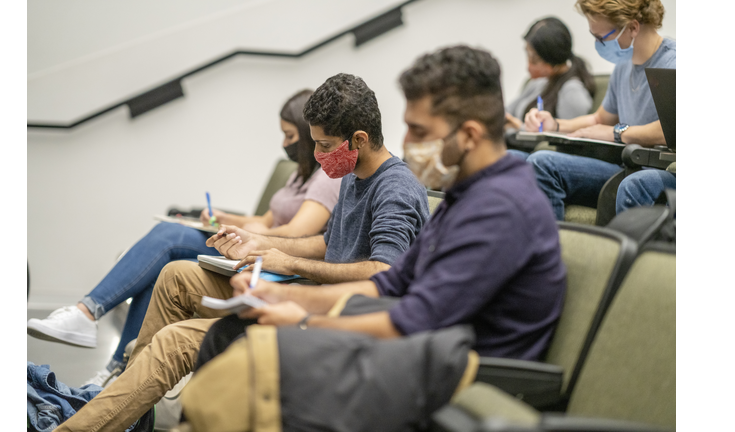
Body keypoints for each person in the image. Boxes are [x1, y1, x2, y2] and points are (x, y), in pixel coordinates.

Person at [190, 45, 566, 406]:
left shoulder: (500, 208)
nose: (406, 142)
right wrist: (285, 296)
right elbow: (391, 284)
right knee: (232, 335)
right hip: (418, 352)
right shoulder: (466, 195)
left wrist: (305, 320)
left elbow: (412, 320)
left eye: (419, 132)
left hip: (457, 377)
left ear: (469, 135)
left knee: (247, 352)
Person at [53, 73, 430, 432]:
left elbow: (383, 270)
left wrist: (289, 263)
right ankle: (131, 412)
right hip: (312, 296)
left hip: (332, 321)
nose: (316, 155)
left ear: (359, 139)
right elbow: (328, 244)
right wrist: (263, 243)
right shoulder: (352, 176)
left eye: (324, 146)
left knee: (175, 342)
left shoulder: (394, 188)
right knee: (176, 276)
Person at [27, 89, 342, 386]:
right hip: (251, 243)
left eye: (290, 136)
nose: (285, 144)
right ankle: (115, 369)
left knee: (168, 236)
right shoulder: (297, 175)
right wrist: (224, 218)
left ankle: (86, 313)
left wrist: (246, 235)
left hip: (266, 260)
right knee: (162, 263)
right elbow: (265, 220)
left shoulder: (325, 178)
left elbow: (293, 233)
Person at [523, 0, 675, 219]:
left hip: (656, 171)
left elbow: (671, 130)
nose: (599, 44)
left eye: (601, 38)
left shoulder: (674, 63)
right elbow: (599, 118)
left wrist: (617, 133)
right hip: (627, 165)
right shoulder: (623, 67)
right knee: (525, 160)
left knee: (542, 163)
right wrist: (555, 125)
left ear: (633, 27)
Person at [505, 16, 595, 132]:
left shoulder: (572, 92)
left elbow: (565, 140)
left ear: (553, 60)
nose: (528, 67)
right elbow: (507, 111)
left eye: (534, 60)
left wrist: (518, 127)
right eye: (528, 55)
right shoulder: (539, 82)